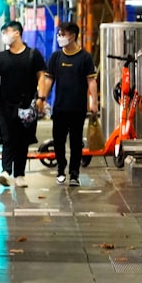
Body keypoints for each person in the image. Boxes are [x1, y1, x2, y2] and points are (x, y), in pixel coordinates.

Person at [36, 21, 99, 186]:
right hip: (60, 107)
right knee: (58, 140)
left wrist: (94, 102)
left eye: (63, 34)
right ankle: (60, 169)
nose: (60, 37)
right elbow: (49, 79)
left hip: (78, 108)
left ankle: (74, 173)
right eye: (59, 33)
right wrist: (42, 98)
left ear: (72, 36)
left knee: (76, 142)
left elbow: (91, 81)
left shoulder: (85, 57)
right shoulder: (56, 57)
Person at [0, 20, 47, 188]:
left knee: (23, 140)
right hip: (6, 105)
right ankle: (6, 171)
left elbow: (41, 77)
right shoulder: (0, 58)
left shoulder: (33, 55)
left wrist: (41, 98)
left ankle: (20, 174)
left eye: (6, 32)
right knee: (7, 139)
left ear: (17, 33)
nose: (5, 36)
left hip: (27, 105)